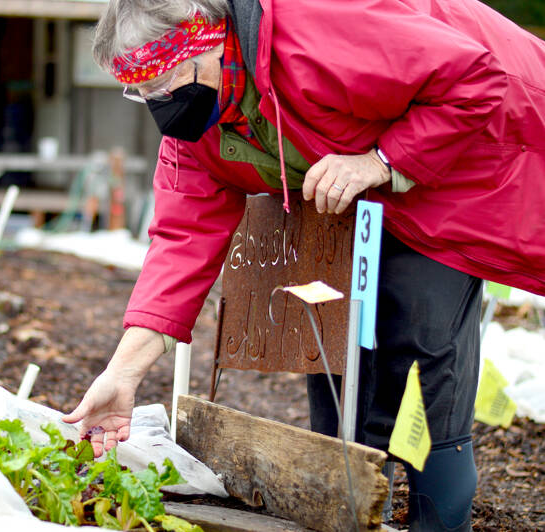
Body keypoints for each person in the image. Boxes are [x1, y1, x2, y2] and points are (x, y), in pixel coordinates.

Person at [62, 1, 545, 530]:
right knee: (334, 347)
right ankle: (353, 510)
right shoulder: (195, 124)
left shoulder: (312, 29)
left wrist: (380, 161)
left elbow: (474, 79)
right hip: (354, 204)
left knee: (424, 352)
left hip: (473, 151)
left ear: (208, 41)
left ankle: (438, 517)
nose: (161, 105)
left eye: (166, 83)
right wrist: (122, 374)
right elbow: (182, 240)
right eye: (143, 94)